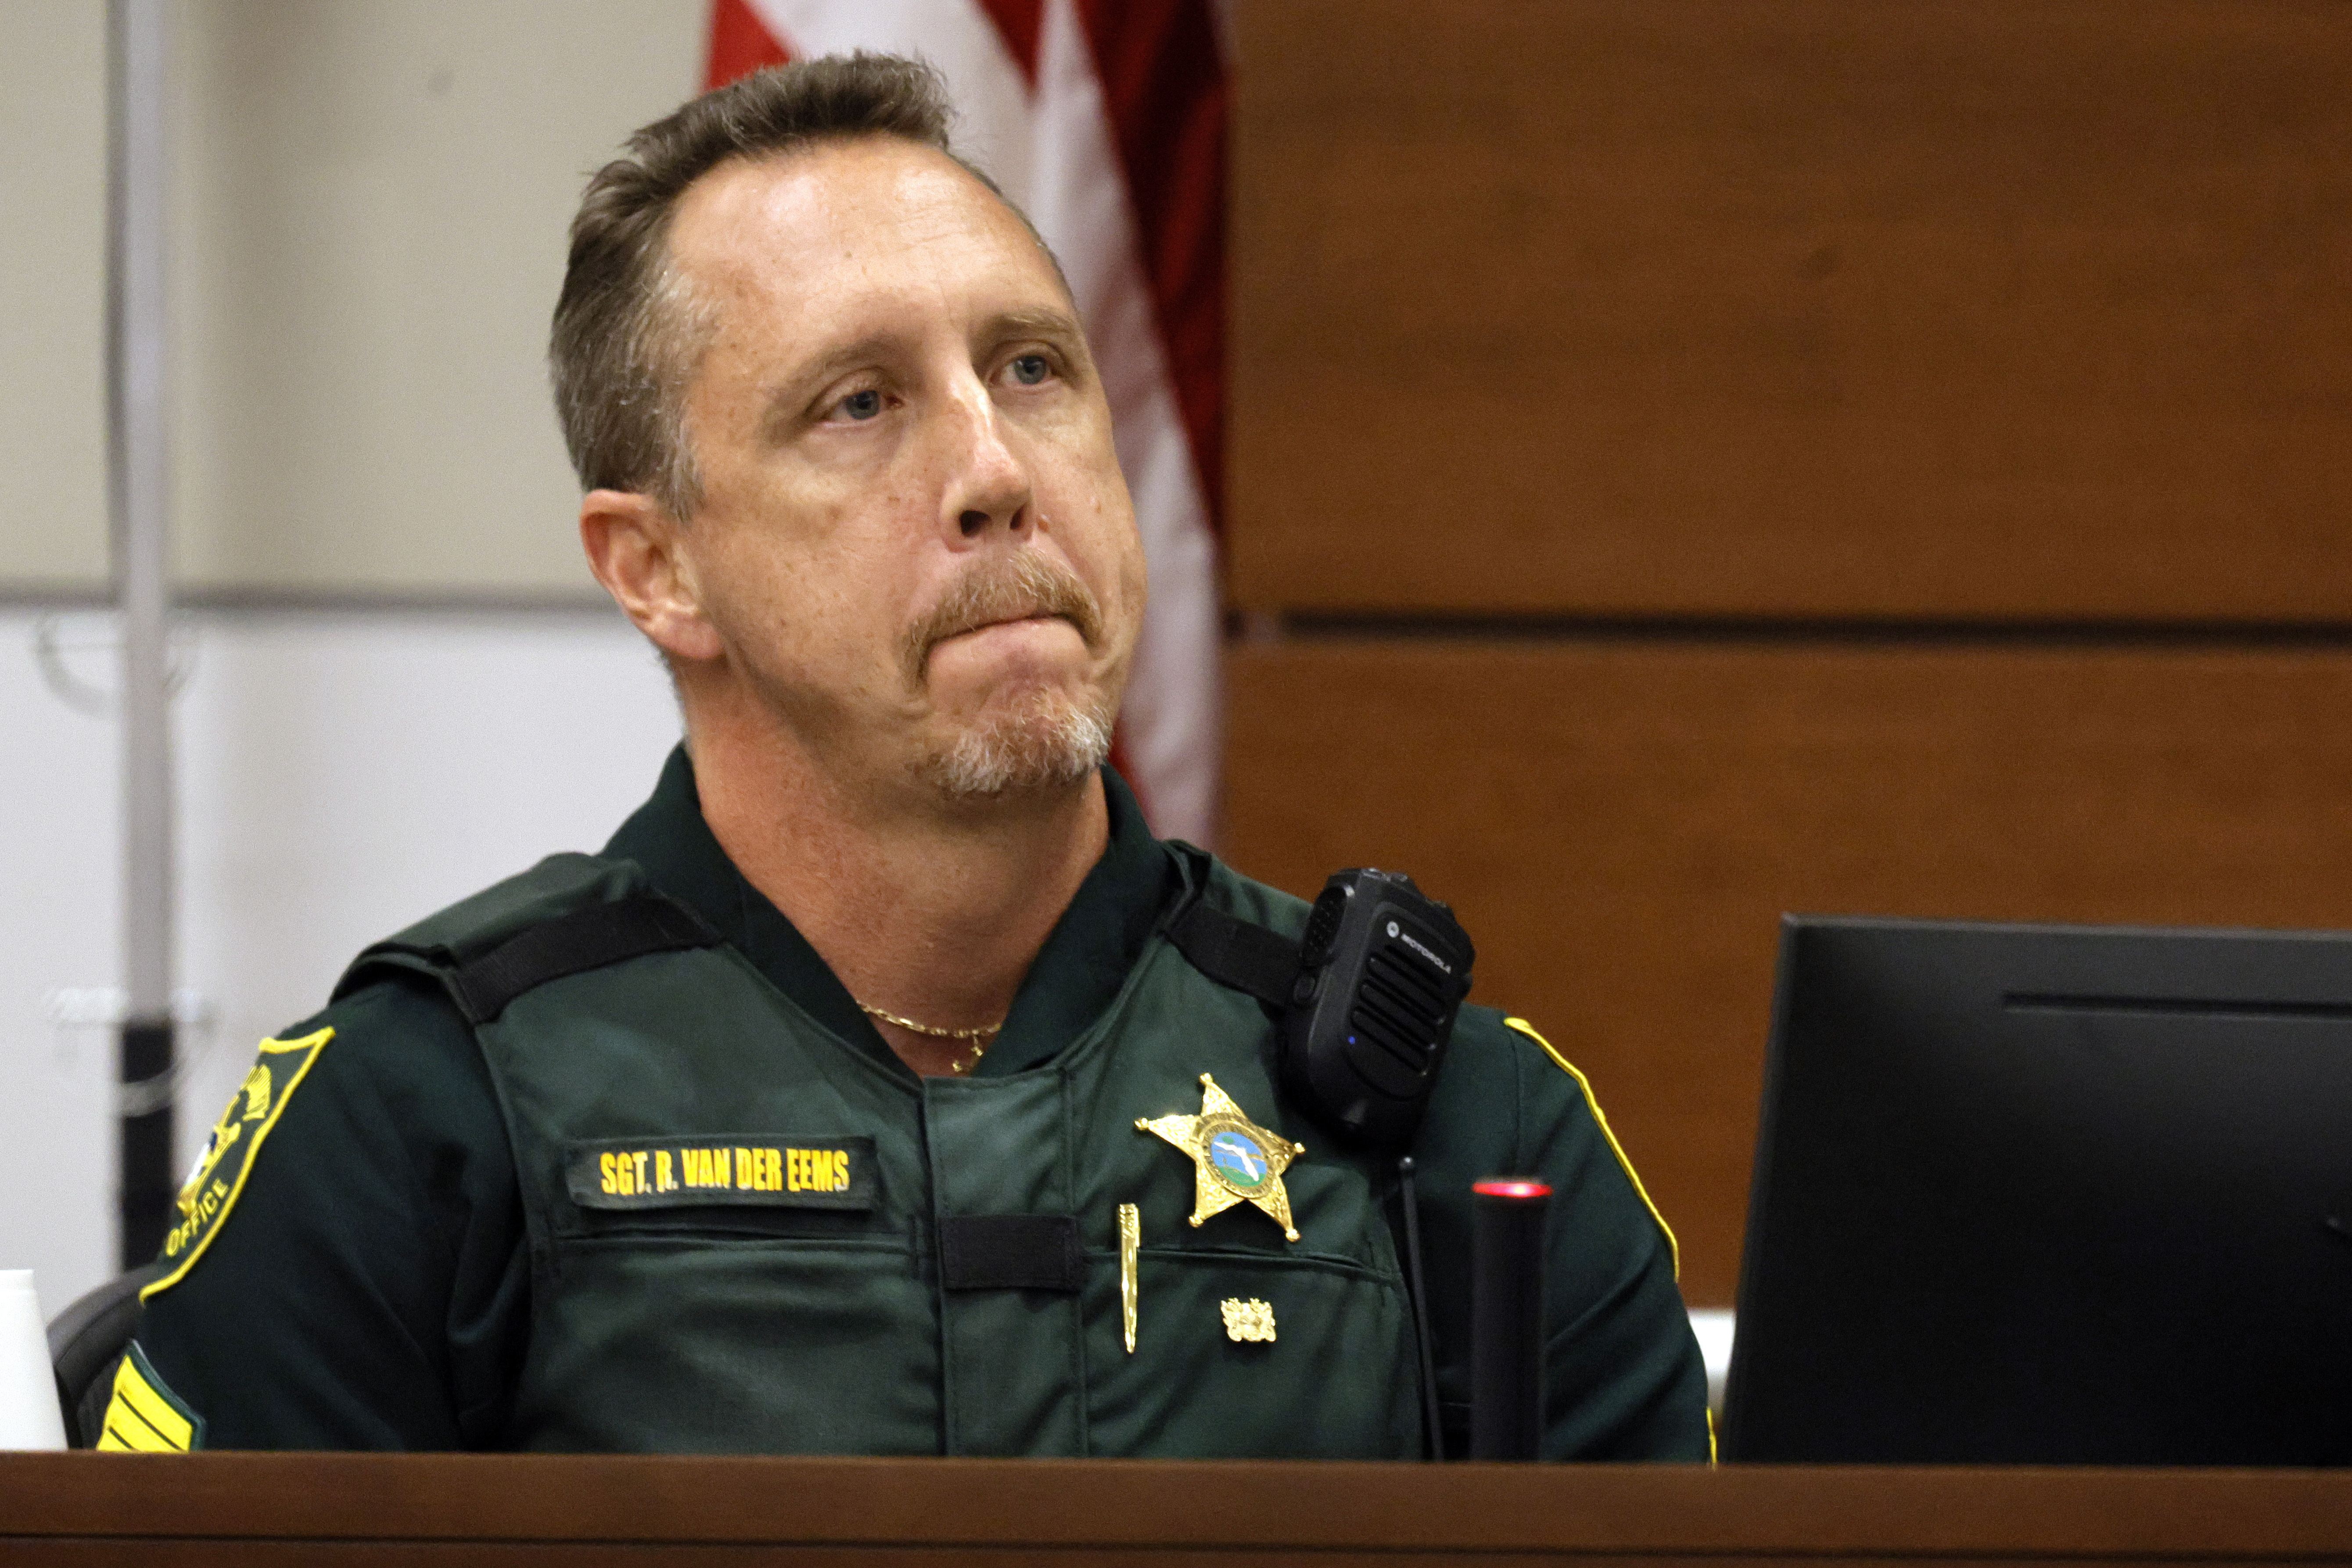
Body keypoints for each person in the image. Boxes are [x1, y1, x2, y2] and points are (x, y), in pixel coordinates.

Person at [100, 54, 1708, 1460]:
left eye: (1031, 369)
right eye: (860, 403)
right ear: (656, 568)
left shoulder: (1463, 1129)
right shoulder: (424, 1115)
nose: (997, 471)